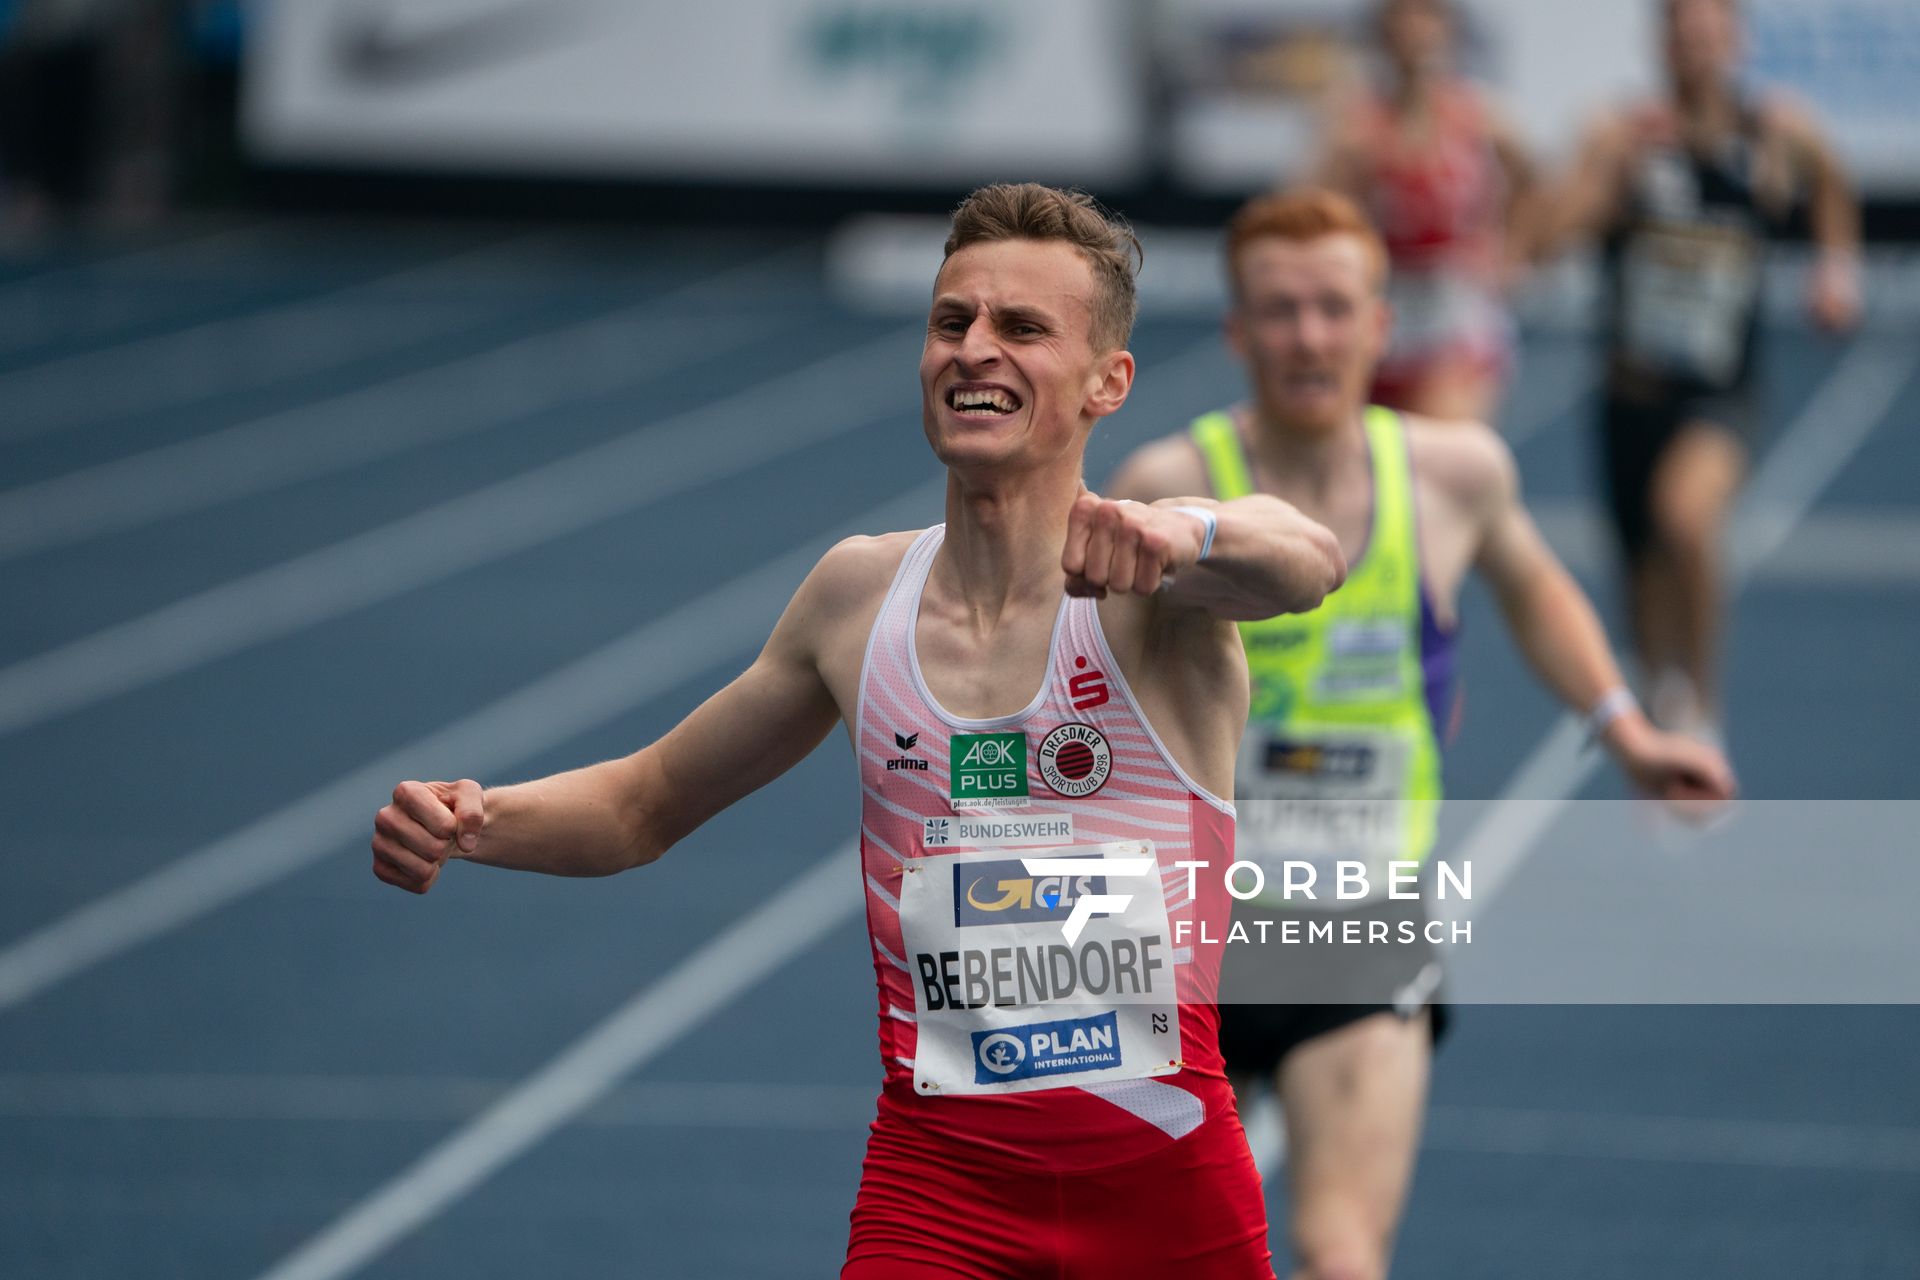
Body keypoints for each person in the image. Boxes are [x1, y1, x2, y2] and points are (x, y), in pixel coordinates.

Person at [371, 183, 1350, 1279]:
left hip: (1165, 1194)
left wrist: (1185, 526)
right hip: (941, 1193)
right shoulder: (856, 598)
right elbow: (645, 804)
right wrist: (475, 818)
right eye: (952, 322)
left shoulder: (1150, 588)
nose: (976, 350)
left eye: (1023, 329)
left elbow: (1309, 559)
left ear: (1106, 383)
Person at [1107, 187, 1737, 1280]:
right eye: (1281, 309)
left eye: (1333, 307)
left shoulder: (1452, 474)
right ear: (1238, 330)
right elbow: (1092, 677)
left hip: (1361, 924)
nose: (1310, 335)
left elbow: (1538, 591)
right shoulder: (1167, 487)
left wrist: (1627, 729)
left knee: (1341, 1258)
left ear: (1380, 325)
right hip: (1184, 935)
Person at [1529, 0, 1861, 736]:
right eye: (1684, 34)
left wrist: (1836, 270)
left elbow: (1834, 183)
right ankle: (1660, 692)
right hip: (1630, 394)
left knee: (1687, 519)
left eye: (1713, 33)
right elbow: (1545, 241)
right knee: (1639, 579)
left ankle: (1703, 705)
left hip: (1720, 391)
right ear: (1662, 45)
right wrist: (1608, 177)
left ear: (1736, 42)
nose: (1698, 49)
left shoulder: (1775, 132)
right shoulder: (1621, 134)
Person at [1315, 0, 1537, 423]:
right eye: (1401, 17)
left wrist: (1513, 256)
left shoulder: (1482, 119)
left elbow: (1531, 186)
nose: (1414, 31)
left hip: (1457, 319)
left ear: (1448, 29)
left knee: (1438, 455)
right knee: (1374, 466)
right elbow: (1310, 213)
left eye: (1426, 15)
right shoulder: (1354, 126)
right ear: (1382, 34)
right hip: (1384, 310)